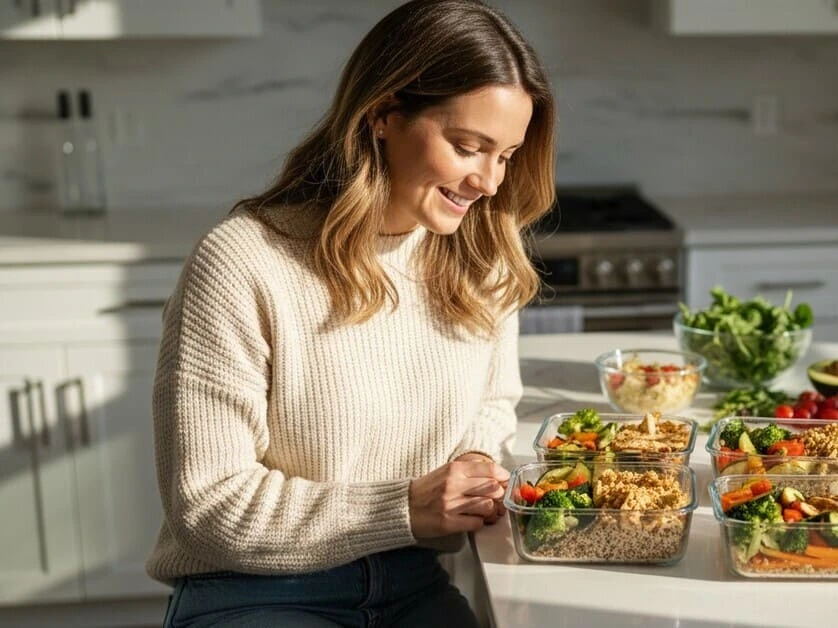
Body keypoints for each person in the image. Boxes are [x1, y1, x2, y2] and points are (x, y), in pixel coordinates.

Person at [148, 1, 555, 625]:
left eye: (505, 155)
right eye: (468, 147)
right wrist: (405, 509)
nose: (490, 182)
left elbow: (491, 404)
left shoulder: (483, 257)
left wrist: (474, 463)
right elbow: (208, 505)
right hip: (252, 590)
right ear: (383, 116)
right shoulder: (244, 261)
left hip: (415, 580)